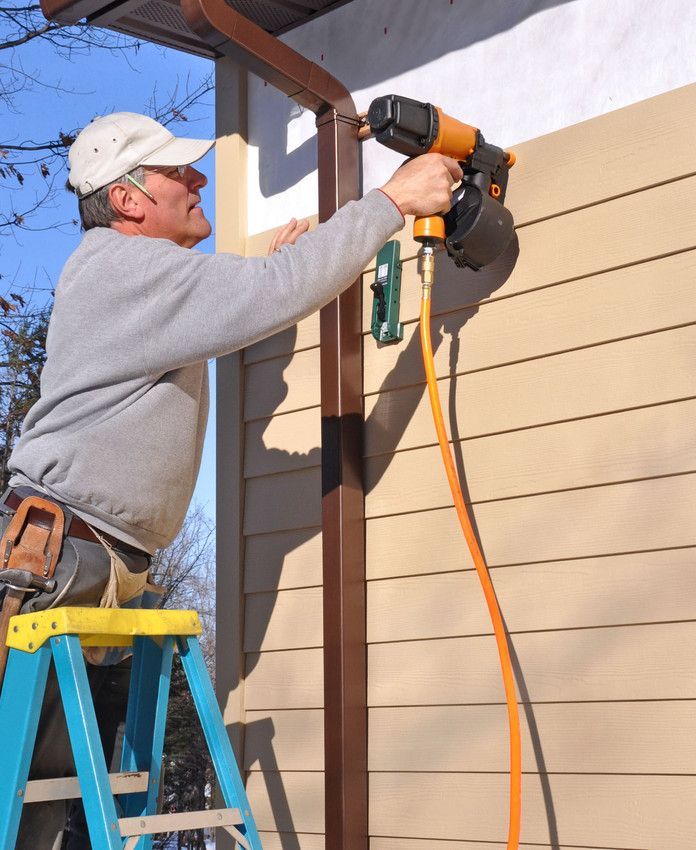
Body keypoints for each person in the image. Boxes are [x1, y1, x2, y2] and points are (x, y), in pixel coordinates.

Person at [1, 111, 462, 847]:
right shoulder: (125, 269)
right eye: (177, 173)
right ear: (127, 201)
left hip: (96, 562)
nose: (199, 180)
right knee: (35, 806)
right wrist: (392, 203)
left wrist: (272, 281)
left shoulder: (131, 278)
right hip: (64, 562)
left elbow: (252, 299)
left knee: (69, 805)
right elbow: (270, 292)